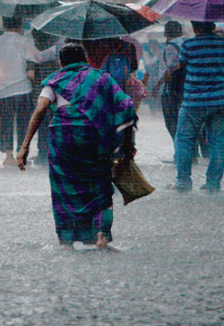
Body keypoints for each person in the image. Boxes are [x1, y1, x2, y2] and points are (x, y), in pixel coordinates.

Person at [16, 44, 137, 249]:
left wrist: (25, 146)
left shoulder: (54, 81)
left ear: (61, 63)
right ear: (86, 59)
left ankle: (67, 240)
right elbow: (125, 105)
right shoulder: (103, 78)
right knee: (101, 187)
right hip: (95, 138)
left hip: (63, 140)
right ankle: (101, 235)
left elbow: (40, 110)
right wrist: (126, 145)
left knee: (64, 189)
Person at [171, 21, 224, 192]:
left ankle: (183, 182)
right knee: (217, 143)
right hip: (218, 101)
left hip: (194, 101)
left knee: (184, 141)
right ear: (213, 26)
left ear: (195, 27)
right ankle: (213, 184)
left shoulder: (189, 44)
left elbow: (181, 66)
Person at [0, 16, 41, 165]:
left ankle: (8, 155)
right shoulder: (23, 41)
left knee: (5, 123)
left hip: (1, 89)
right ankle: (21, 153)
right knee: (23, 123)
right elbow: (38, 57)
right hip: (21, 88)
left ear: (4, 26)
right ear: (19, 26)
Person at [26, 29, 61, 165]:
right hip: (54, 95)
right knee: (54, 123)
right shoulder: (56, 53)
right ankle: (54, 152)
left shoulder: (33, 55)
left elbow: (31, 75)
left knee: (41, 124)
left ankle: (42, 154)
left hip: (39, 95)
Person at [153, 20, 185, 141]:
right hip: (185, 87)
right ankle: (191, 153)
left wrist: (158, 85)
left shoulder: (171, 47)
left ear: (166, 33)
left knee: (172, 122)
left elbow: (171, 68)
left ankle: (180, 153)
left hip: (171, 90)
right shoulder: (186, 44)